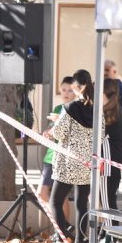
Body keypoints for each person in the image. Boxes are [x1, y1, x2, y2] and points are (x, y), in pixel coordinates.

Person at [47, 70, 96, 243]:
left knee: (56, 201)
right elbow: (100, 134)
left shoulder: (69, 108)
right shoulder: (96, 109)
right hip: (86, 163)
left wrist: (55, 123)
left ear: (75, 87)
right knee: (82, 203)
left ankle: (61, 242)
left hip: (68, 162)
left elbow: (58, 133)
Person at [39, 76, 77, 207]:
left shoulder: (77, 110)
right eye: (63, 90)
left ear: (76, 92)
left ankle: (63, 226)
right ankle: (53, 225)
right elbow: (51, 129)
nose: (66, 93)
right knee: (42, 192)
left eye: (69, 90)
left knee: (61, 197)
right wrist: (47, 133)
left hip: (64, 158)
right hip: (51, 156)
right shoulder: (57, 108)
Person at [102, 78, 122, 211]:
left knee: (107, 202)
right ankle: (105, 231)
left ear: (105, 93)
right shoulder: (114, 110)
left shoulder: (108, 113)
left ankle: (110, 231)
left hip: (110, 163)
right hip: (112, 161)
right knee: (105, 200)